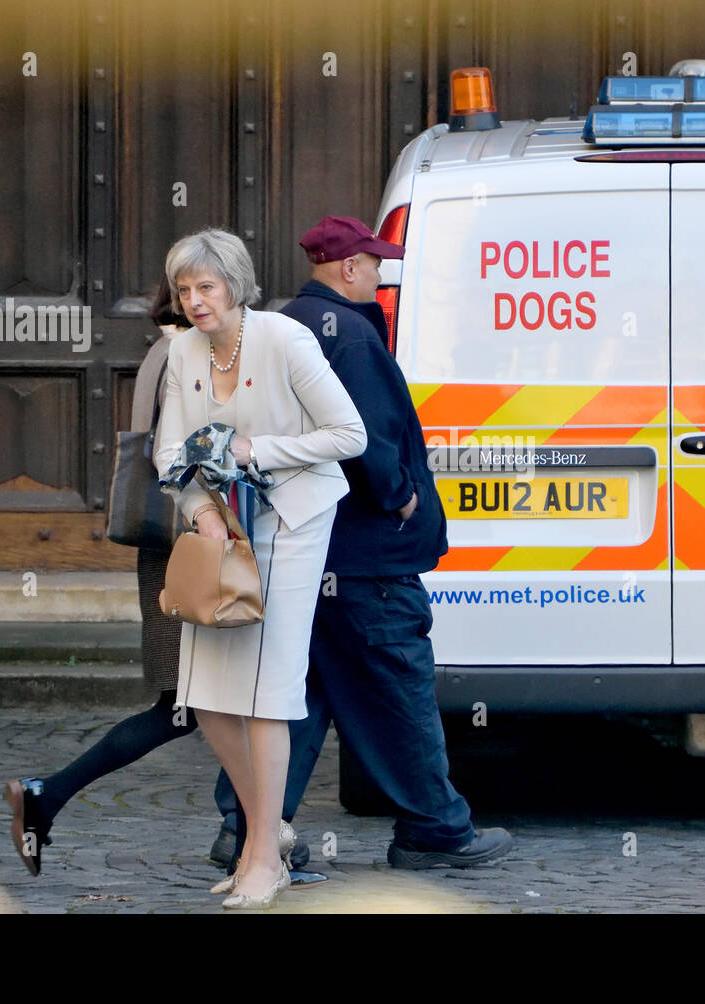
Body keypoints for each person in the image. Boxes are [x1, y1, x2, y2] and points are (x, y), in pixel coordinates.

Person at [272, 215, 513, 869]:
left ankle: (248, 829)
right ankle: (435, 830)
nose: (379, 277)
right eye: (374, 265)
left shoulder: (288, 325)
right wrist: (401, 496)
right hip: (366, 555)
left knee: (300, 697)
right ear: (348, 267)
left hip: (313, 551)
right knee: (399, 688)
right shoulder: (349, 335)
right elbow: (364, 436)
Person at [155, 228, 366, 909]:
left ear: (235, 285)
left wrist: (255, 450)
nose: (195, 301)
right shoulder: (181, 350)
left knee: (268, 691)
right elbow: (169, 453)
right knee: (209, 694)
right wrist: (201, 512)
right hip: (222, 529)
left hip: (294, 521)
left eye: (207, 287)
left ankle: (263, 859)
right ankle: (266, 834)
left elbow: (350, 435)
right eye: (184, 289)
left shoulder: (285, 339)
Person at [4, 277, 199, 877]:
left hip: (174, 550)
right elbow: (183, 457)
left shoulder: (163, 349)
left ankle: (48, 796)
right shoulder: (185, 354)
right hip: (191, 552)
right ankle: (255, 838)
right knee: (195, 706)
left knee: (198, 707)